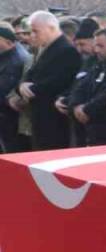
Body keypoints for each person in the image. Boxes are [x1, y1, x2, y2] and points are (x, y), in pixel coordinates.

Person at [13, 11, 81, 149]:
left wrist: (30, 89)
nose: (32, 35)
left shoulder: (66, 50)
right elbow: (29, 76)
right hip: (40, 117)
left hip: (55, 119)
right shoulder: (45, 49)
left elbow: (58, 82)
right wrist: (21, 87)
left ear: (51, 28)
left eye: (35, 31)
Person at [0, 26, 32, 152]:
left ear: (9, 42)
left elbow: (4, 89)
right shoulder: (4, 56)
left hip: (9, 116)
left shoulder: (16, 60)